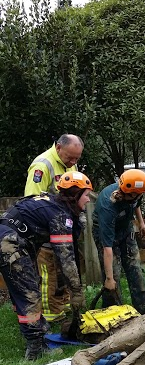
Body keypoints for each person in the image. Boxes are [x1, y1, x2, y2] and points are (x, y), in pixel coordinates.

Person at [0, 172, 91, 359]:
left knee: (27, 288)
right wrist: (76, 292)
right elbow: (66, 259)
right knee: (30, 294)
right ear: (75, 194)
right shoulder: (60, 215)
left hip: (11, 240)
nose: (89, 200)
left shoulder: (51, 202)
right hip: (9, 243)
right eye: (87, 195)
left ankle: (38, 332)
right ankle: (36, 349)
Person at [24, 134, 85, 322]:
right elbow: (32, 202)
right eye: (70, 157)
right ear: (58, 148)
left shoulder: (69, 163)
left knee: (64, 270)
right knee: (48, 272)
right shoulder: (42, 166)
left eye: (77, 158)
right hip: (45, 233)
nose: (73, 162)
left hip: (63, 228)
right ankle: (48, 315)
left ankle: (64, 306)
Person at [92, 169, 145, 314]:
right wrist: (109, 278)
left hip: (126, 229)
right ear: (125, 193)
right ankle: (113, 313)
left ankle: (143, 312)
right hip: (106, 232)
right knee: (113, 278)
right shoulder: (107, 206)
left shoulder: (136, 191)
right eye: (135, 195)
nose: (139, 196)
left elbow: (136, 204)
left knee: (135, 269)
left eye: (140, 195)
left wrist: (141, 223)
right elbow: (107, 248)